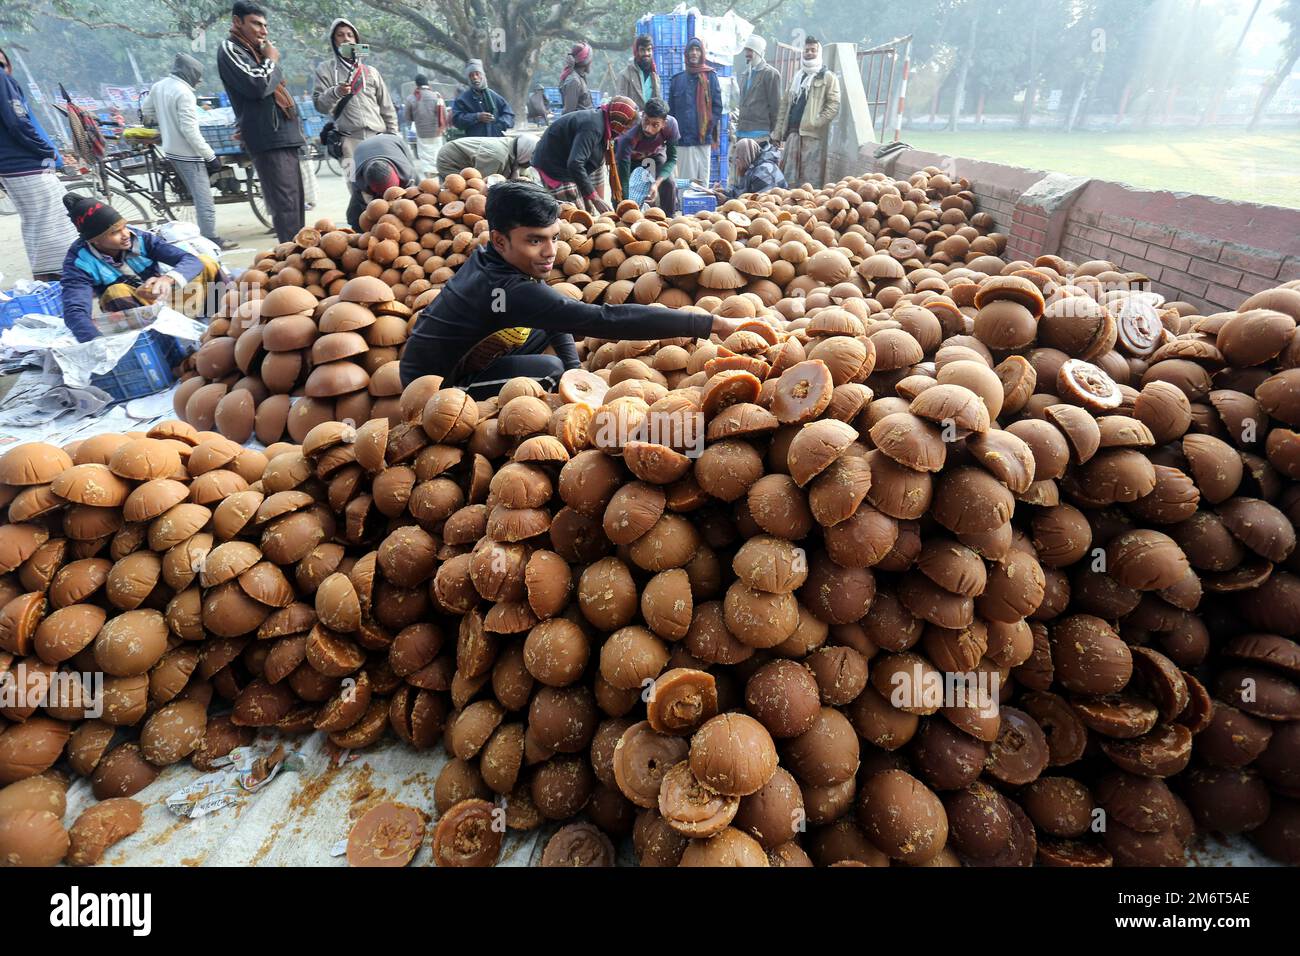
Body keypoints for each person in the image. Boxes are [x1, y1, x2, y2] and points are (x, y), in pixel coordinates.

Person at [398, 181, 754, 398]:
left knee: (548, 328)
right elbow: (602, 320)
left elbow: (554, 316)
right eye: (534, 240)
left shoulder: (501, 261)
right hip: (436, 385)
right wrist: (708, 324)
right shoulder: (505, 287)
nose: (550, 251)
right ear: (499, 239)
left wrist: (577, 372)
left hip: (474, 348)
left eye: (553, 238)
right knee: (549, 369)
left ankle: (563, 374)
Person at [59, 193, 221, 342]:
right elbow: (75, 311)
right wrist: (96, 342)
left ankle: (222, 320)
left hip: (169, 300)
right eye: (114, 232)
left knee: (206, 262)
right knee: (115, 292)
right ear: (95, 240)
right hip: (141, 315)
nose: (125, 234)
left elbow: (190, 260)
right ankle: (161, 342)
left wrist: (167, 279)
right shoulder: (78, 262)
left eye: (124, 227)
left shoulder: (141, 238)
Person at [218, 1, 305, 243]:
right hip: (268, 138)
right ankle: (292, 265)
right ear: (237, 22)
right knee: (285, 208)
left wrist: (268, 60)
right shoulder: (230, 49)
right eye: (256, 24)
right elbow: (257, 85)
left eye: (265, 25)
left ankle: (301, 258)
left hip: (283, 135)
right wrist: (272, 61)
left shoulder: (254, 51)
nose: (263, 31)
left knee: (295, 204)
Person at [141, 54, 236, 250]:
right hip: (188, 153)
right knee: (204, 199)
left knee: (198, 194)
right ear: (189, 74)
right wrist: (210, 156)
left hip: (170, 149)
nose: (199, 80)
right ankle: (210, 239)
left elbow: (147, 110)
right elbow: (190, 131)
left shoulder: (159, 86)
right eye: (197, 75)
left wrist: (166, 125)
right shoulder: (184, 93)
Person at [0, 47, 78, 281]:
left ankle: (49, 276)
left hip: (11, 166)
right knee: (53, 219)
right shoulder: (2, 80)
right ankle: (59, 277)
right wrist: (47, 151)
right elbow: (18, 123)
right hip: (25, 163)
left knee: (38, 221)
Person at [312, 18, 398, 170]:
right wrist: (336, 92)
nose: (346, 38)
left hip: (378, 137)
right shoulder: (325, 70)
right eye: (340, 35)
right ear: (333, 41)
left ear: (356, 40)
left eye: (350, 35)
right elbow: (320, 106)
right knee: (356, 186)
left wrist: (392, 136)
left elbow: (387, 108)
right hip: (348, 141)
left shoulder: (371, 72)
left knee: (384, 185)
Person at [531, 96, 638, 215]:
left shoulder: (602, 123)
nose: (624, 132)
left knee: (588, 212)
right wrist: (595, 198)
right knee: (575, 217)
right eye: (626, 127)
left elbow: (589, 164)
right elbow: (575, 163)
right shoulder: (593, 127)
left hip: (567, 165)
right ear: (619, 119)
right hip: (554, 167)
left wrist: (590, 198)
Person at [774, 34, 840, 187]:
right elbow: (784, 106)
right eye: (806, 50)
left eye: (813, 50)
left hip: (812, 137)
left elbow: (833, 106)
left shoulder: (828, 78)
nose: (809, 53)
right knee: (788, 181)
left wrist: (815, 122)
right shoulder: (797, 77)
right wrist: (777, 133)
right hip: (792, 135)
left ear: (819, 53)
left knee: (810, 182)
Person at [667, 38, 721, 185]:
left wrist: (708, 125)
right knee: (686, 183)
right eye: (691, 50)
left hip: (703, 139)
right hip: (684, 141)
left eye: (697, 50)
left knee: (703, 183)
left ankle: (704, 209)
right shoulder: (677, 80)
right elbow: (670, 113)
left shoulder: (710, 77)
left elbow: (717, 107)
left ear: (702, 53)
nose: (694, 53)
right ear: (686, 53)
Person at [614, 98, 678, 214]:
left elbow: (672, 159)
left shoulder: (671, 125)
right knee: (619, 189)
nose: (648, 128)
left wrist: (656, 184)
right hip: (628, 158)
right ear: (642, 115)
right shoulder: (629, 134)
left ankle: (669, 219)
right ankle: (619, 219)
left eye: (655, 125)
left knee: (668, 183)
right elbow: (623, 179)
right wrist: (627, 204)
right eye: (646, 121)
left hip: (653, 155)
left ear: (664, 123)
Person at [345, 132, 415, 230]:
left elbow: (415, 194)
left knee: (411, 201)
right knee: (356, 215)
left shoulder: (406, 172)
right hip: (361, 149)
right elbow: (368, 211)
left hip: (393, 142)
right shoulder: (358, 181)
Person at [733, 36, 781, 145]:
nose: (747, 54)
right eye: (746, 50)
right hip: (742, 132)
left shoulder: (771, 74)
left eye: (750, 50)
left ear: (758, 51)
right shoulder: (745, 74)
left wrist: (775, 134)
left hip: (760, 133)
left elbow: (776, 106)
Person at [436, 133, 538, 182]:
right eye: (530, 161)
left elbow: (526, 177)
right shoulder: (497, 157)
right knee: (466, 189)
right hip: (450, 158)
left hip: (469, 158)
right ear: (525, 154)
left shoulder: (518, 150)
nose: (530, 164)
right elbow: (484, 185)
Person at [451, 60, 514, 138]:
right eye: (471, 75)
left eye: (477, 74)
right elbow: (456, 120)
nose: (475, 77)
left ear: (483, 75)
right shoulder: (462, 99)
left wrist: (498, 123)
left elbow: (509, 115)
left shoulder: (494, 96)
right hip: (475, 143)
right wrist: (477, 117)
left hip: (496, 141)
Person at [714, 136, 786, 200]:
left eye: (738, 159)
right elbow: (743, 192)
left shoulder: (763, 172)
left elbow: (757, 202)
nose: (736, 164)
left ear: (746, 157)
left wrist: (727, 200)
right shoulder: (752, 167)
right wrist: (725, 192)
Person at [405, 75, 447, 178]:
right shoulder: (436, 96)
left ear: (416, 84)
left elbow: (408, 117)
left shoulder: (411, 98)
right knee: (437, 151)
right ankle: (437, 172)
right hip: (436, 131)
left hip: (421, 132)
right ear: (428, 83)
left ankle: (429, 175)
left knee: (424, 154)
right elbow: (444, 114)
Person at [615, 35, 660, 111]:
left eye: (649, 50)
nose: (646, 53)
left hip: (649, 121)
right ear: (636, 52)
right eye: (642, 50)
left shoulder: (655, 76)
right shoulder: (625, 75)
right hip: (631, 121)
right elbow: (620, 106)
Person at [559, 42, 593, 115]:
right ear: (585, 62)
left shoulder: (580, 78)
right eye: (590, 59)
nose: (591, 62)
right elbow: (568, 113)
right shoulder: (574, 81)